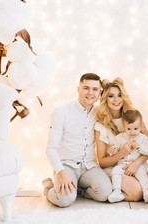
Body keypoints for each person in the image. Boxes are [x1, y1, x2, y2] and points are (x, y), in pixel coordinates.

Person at [42, 73, 112, 207]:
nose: (90, 93)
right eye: (86, 88)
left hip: (89, 166)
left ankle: (78, 192)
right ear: (78, 89)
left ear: (100, 93)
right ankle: (48, 189)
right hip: (67, 166)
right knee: (64, 200)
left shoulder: (100, 113)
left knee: (105, 193)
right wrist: (61, 171)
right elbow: (51, 148)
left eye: (95, 89)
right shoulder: (61, 112)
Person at [95, 77, 148, 201]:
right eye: (111, 96)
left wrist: (136, 164)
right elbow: (101, 162)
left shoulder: (132, 117)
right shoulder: (101, 125)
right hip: (115, 168)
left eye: (119, 95)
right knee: (137, 193)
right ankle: (107, 191)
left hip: (134, 165)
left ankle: (133, 182)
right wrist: (121, 153)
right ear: (105, 99)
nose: (116, 100)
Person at [107, 109, 148, 203]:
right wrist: (112, 151)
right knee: (116, 171)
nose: (132, 132)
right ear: (124, 127)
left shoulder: (143, 138)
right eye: (129, 129)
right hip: (123, 165)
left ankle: (147, 191)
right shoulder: (120, 138)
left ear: (140, 126)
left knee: (142, 174)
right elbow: (114, 148)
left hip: (138, 166)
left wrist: (139, 147)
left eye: (135, 129)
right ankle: (117, 191)